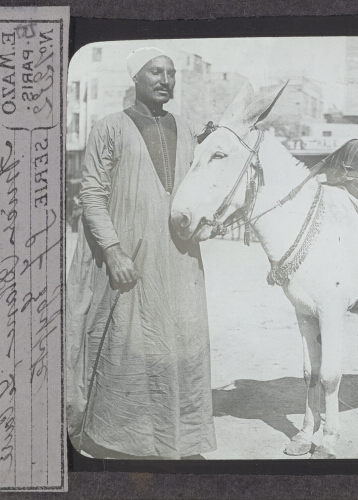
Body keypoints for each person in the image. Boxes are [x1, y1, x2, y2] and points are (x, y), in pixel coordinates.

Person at [66, 47, 216, 459]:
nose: (165, 79)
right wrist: (113, 252)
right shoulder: (108, 127)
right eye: (155, 72)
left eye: (170, 73)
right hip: (128, 260)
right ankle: (119, 439)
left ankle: (178, 438)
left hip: (179, 262)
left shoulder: (185, 129)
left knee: (177, 344)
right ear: (136, 78)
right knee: (126, 345)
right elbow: (91, 194)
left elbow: (196, 192)